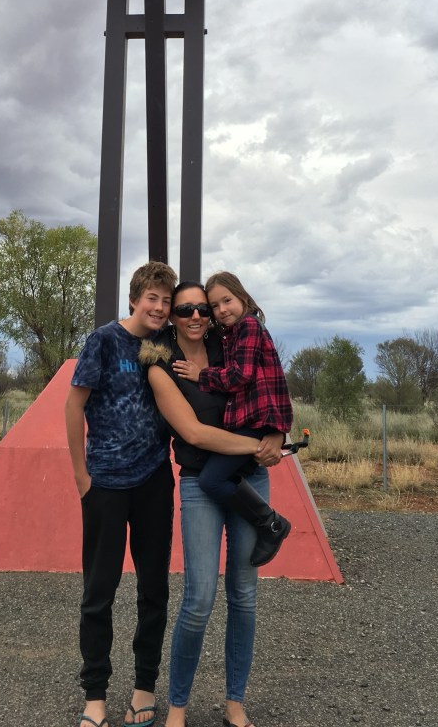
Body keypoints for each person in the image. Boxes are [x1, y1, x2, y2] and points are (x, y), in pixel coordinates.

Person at [144, 281, 284, 727]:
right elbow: (193, 433)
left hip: (250, 477)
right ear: (172, 316)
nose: (196, 316)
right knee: (199, 598)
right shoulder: (162, 365)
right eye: (185, 309)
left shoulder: (232, 345)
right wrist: (258, 446)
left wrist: (276, 432)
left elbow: (268, 384)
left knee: (243, 596)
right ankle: (178, 707)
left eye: (203, 308)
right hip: (200, 483)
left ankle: (235, 703)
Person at [65, 260, 178, 727]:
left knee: (154, 590)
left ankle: (143, 688)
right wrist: (81, 477)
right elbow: (74, 404)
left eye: (166, 300)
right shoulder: (104, 340)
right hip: (106, 483)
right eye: (152, 298)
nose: (159, 307)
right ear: (133, 300)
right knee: (99, 592)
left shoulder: (166, 343)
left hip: (154, 481)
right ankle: (95, 696)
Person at [171, 271, 293, 567]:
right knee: (216, 478)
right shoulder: (229, 333)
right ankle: (267, 521)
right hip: (249, 421)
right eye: (215, 305)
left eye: (227, 301)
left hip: (254, 421)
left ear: (242, 297)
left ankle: (271, 523)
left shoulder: (248, 326)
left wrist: (202, 375)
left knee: (211, 480)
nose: (221, 310)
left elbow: (242, 375)